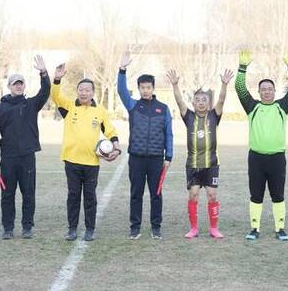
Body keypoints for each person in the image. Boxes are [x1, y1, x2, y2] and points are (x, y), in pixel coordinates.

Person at [235, 49, 288, 241]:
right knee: (256, 195)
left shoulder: (282, 106)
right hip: (256, 158)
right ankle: (254, 228)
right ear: (259, 92)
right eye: (263, 89)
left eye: (269, 89)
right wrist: (242, 68)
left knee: (278, 195)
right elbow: (240, 88)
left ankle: (280, 228)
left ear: (274, 91)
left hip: (277, 158)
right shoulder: (252, 106)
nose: (266, 91)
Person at [51, 63, 121, 242]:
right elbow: (56, 95)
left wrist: (117, 148)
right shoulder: (69, 107)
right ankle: (72, 229)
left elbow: (111, 132)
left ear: (92, 93)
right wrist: (57, 78)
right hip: (71, 160)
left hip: (91, 162)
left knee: (90, 197)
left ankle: (90, 229)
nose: (83, 93)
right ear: (77, 92)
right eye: (81, 89)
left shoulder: (100, 111)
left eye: (87, 90)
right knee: (73, 196)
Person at [0, 55, 50, 240]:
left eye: (21, 83)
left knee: (28, 194)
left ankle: (27, 227)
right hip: (8, 159)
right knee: (7, 194)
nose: (18, 86)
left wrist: (44, 73)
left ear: (24, 86)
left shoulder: (31, 104)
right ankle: (8, 228)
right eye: (15, 83)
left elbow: (45, 91)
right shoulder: (0, 109)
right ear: (9, 86)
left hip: (27, 157)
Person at [167, 68, 233, 239]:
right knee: (193, 195)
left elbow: (222, 99)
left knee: (212, 196)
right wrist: (175, 85)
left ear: (208, 103)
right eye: (197, 100)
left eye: (204, 100)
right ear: (194, 103)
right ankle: (194, 228)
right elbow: (179, 101)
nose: (201, 102)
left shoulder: (214, 115)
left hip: (211, 164)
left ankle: (213, 228)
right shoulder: (188, 117)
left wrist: (224, 84)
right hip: (193, 165)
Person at [117, 51, 173, 240]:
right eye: (142, 87)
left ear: (153, 88)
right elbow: (121, 91)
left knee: (156, 194)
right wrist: (122, 70)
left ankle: (156, 227)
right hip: (136, 158)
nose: (146, 90)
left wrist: (169, 156)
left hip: (157, 159)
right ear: (139, 88)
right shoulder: (133, 105)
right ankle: (135, 227)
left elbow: (169, 134)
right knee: (136, 194)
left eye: (148, 87)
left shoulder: (163, 109)